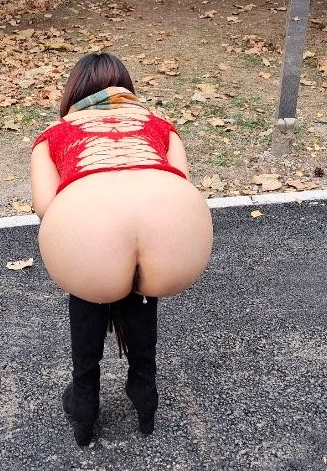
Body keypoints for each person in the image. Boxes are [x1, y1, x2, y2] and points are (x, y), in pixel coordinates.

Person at [30, 53, 213, 447]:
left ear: (73, 91)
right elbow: (180, 181)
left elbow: (46, 208)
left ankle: (85, 400)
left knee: (91, 275)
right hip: (175, 225)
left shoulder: (54, 134)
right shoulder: (161, 126)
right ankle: (144, 389)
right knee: (142, 278)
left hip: (88, 223)